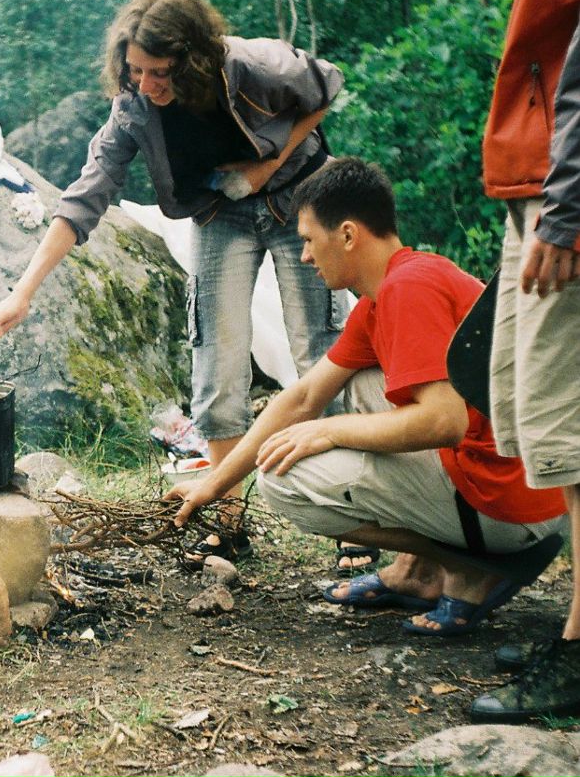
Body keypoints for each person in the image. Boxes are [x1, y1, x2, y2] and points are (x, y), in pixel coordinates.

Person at [0, 0, 353, 569]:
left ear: (195, 61)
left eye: (160, 72)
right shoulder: (132, 108)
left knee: (317, 352)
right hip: (220, 213)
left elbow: (325, 86)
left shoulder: (252, 65)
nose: (147, 84)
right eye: (134, 71)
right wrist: (22, 292)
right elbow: (85, 197)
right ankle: (229, 520)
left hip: (297, 201)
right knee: (217, 361)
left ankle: (352, 524)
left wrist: (269, 164)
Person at [168, 158, 568, 636]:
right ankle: (416, 572)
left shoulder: (408, 289)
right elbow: (303, 397)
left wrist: (328, 429)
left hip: (514, 502)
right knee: (358, 383)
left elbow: (445, 421)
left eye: (310, 241)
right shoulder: (392, 289)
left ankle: (474, 567)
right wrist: (212, 485)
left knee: (284, 478)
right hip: (525, 487)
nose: (305, 258)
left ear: (349, 235)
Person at [468, 0, 580, 722]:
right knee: (543, 429)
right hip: (531, 178)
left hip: (559, 189)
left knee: (569, 437)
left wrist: (568, 211)